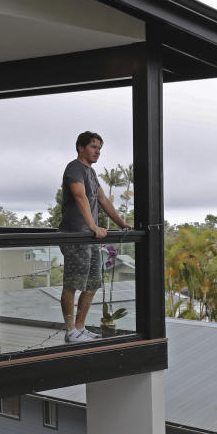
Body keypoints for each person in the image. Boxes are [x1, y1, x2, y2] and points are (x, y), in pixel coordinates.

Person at [59, 131, 131, 343]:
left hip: (89, 237)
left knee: (92, 284)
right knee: (72, 284)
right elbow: (80, 196)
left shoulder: (91, 172)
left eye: (99, 148)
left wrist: (122, 223)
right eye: (93, 147)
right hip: (74, 235)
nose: (97, 151)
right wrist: (93, 226)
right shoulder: (74, 168)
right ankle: (71, 330)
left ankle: (80, 328)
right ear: (81, 147)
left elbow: (102, 200)